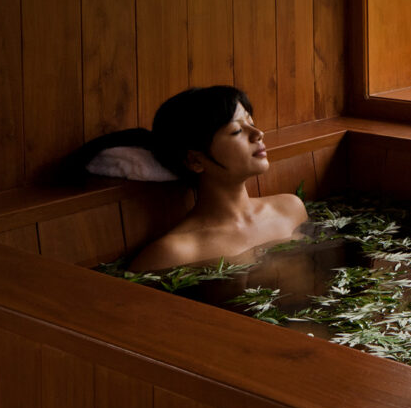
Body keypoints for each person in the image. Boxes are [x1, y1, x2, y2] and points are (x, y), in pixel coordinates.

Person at [128, 85, 309, 272]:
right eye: (236, 131)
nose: (258, 134)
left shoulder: (290, 209)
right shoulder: (174, 253)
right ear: (195, 160)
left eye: (251, 123)